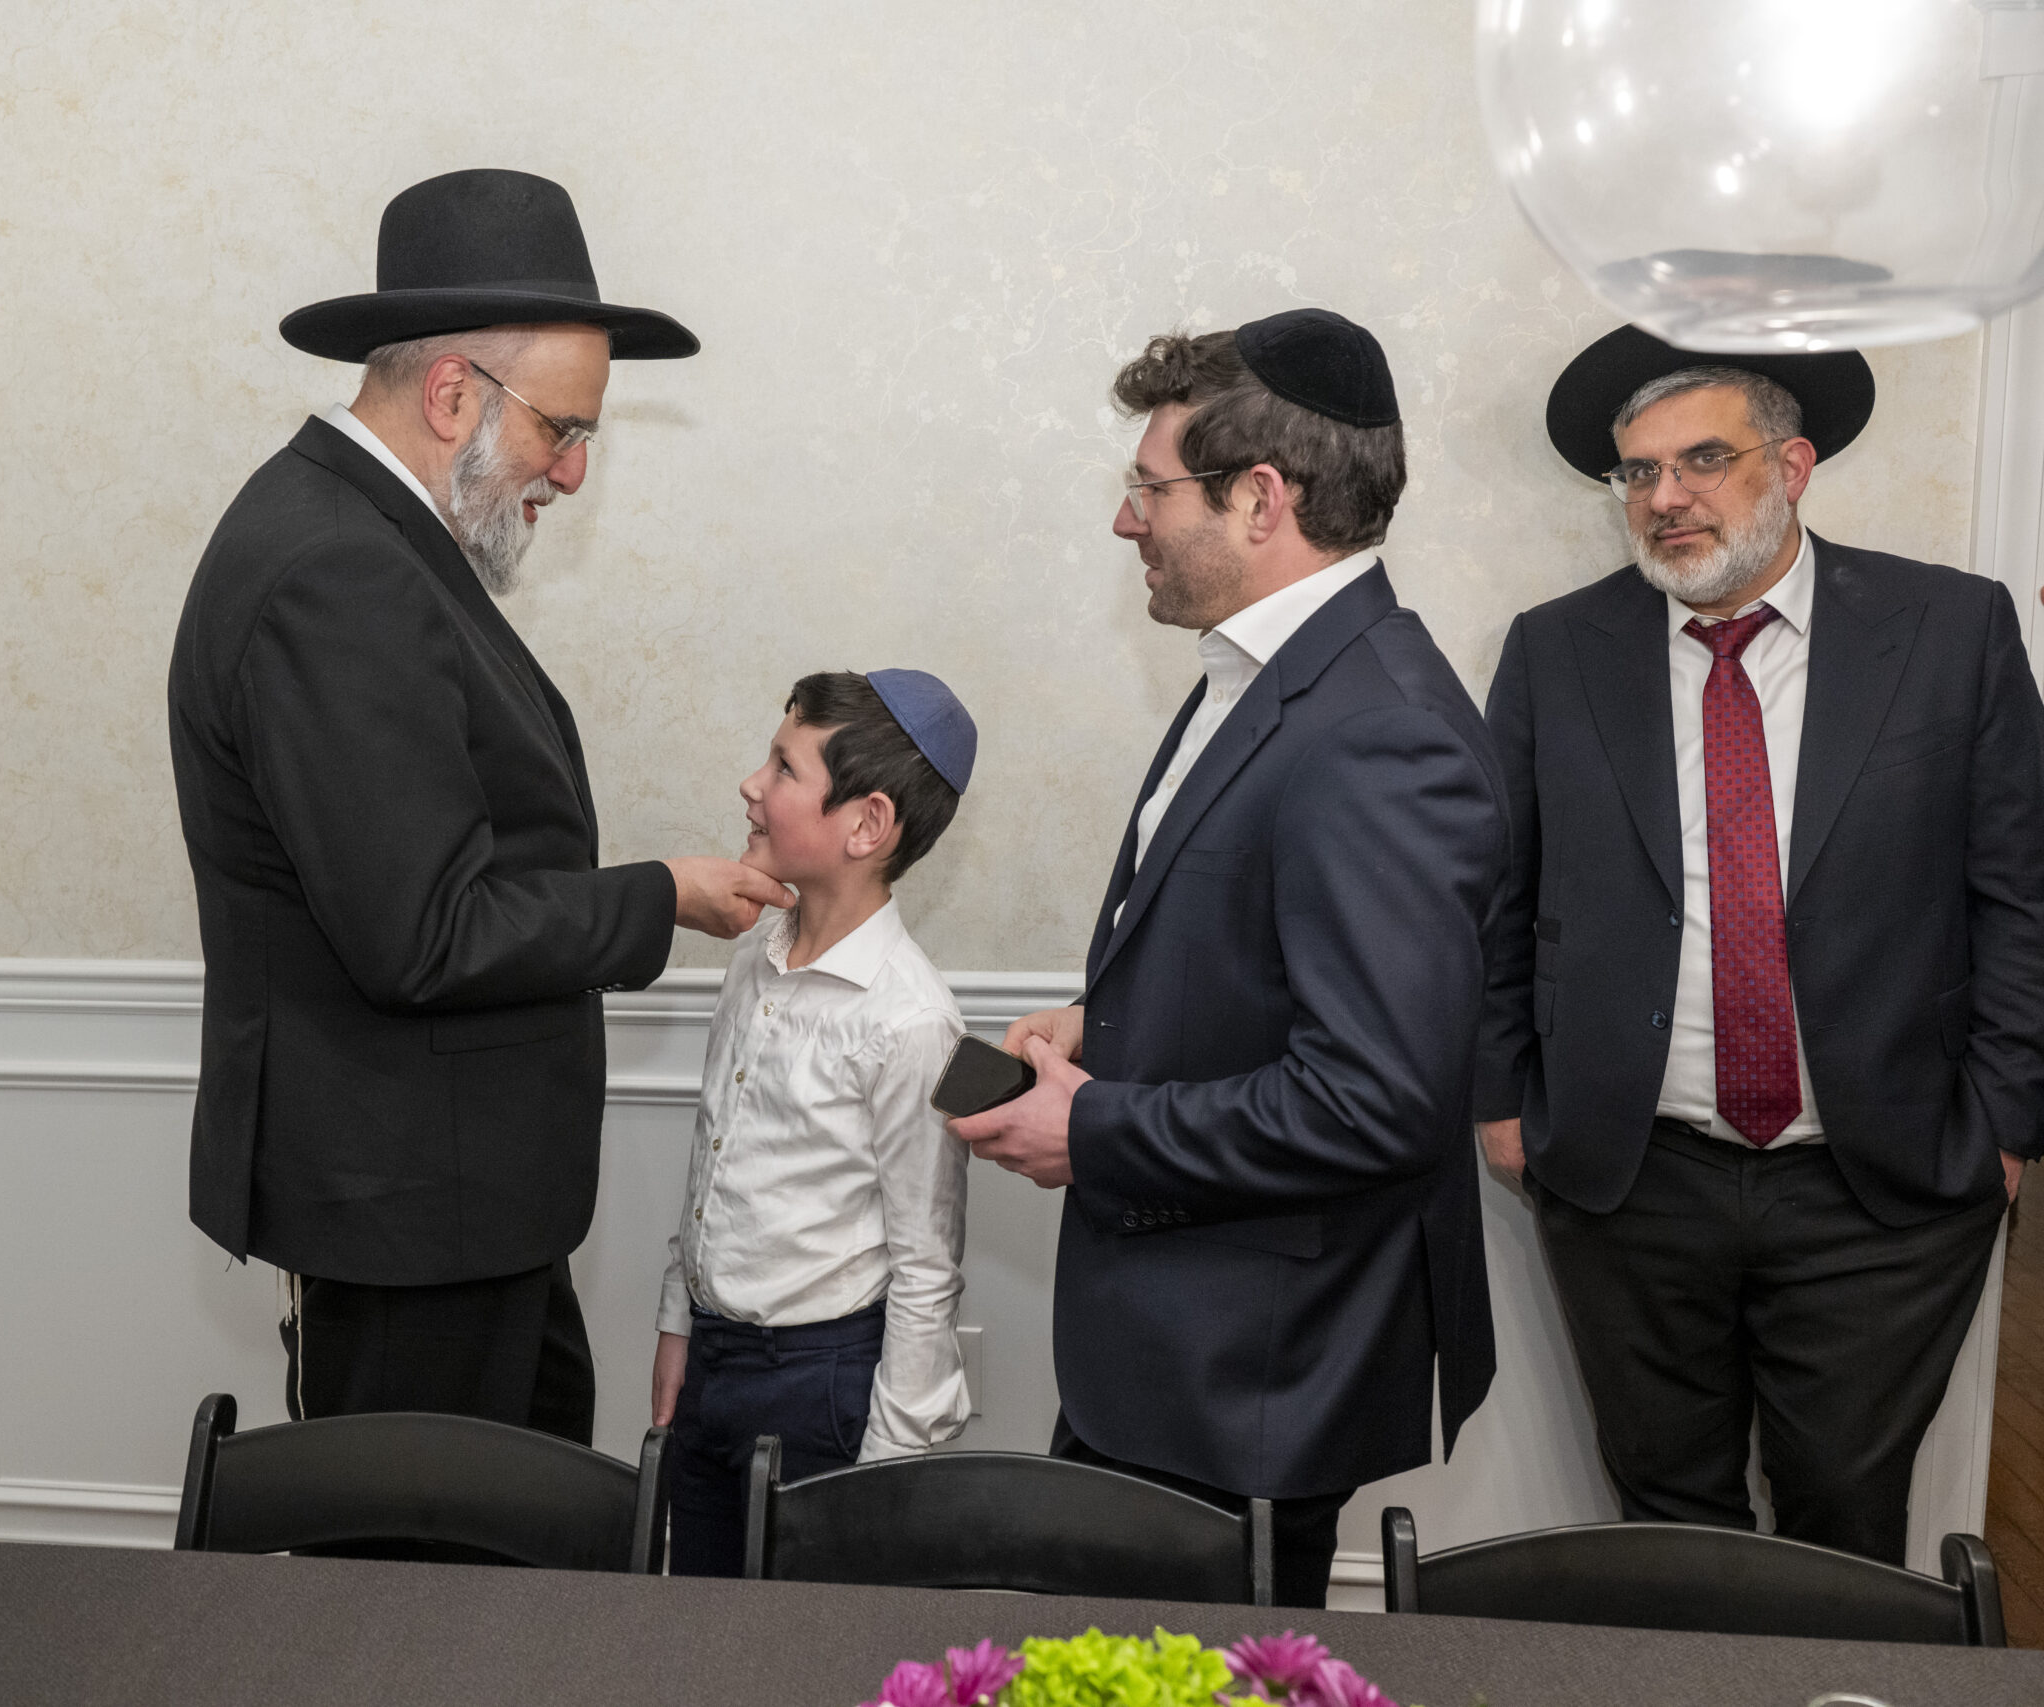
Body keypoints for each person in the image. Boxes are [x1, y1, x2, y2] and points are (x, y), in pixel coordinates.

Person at [168, 169, 789, 1443]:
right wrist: (659, 897)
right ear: (452, 393)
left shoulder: (367, 539)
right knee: (419, 1565)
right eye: (563, 429)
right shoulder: (338, 570)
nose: (572, 472)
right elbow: (424, 935)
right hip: (405, 1212)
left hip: (450, 1202)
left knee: (525, 1541)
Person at [953, 310, 1504, 1607]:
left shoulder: (1383, 730)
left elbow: (1374, 1098)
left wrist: (1093, 1128)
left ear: (1261, 499)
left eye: (1149, 489)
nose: (1124, 520)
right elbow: (1272, 953)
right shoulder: (1267, 672)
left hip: (1253, 1365)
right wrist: (1107, 1018)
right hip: (1184, 1346)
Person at [1477, 326, 2044, 1563]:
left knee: (1844, 1518)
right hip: (1632, 1175)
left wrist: (2003, 1126)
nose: (1663, 497)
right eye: (1638, 472)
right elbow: (1496, 896)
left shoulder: (1949, 629)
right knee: (1665, 1514)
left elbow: (2021, 894)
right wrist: (1502, 1103)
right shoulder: (1555, 650)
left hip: (1881, 1181)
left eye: (1702, 460)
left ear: (1790, 467)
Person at [650, 670, 977, 1575]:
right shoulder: (755, 954)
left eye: (784, 768)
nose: (751, 784)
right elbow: (713, 1152)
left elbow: (926, 1264)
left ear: (867, 824)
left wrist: (887, 1469)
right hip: (713, 1360)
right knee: (701, 1617)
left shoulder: (911, 1020)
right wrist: (679, 1323)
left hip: (820, 1389)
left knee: (804, 1634)